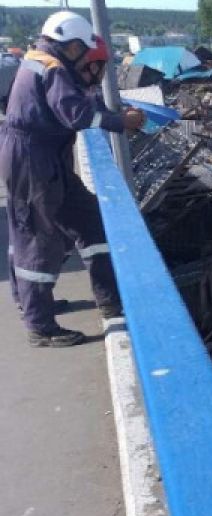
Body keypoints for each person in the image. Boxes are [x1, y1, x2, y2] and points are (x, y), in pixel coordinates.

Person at [1, 12, 144, 347]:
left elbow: (70, 102)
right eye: (82, 51)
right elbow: (76, 114)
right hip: (33, 158)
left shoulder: (41, 61)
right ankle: (39, 324)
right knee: (37, 236)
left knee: (88, 218)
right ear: (74, 44)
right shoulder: (52, 67)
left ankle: (107, 298)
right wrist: (120, 122)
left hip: (44, 156)